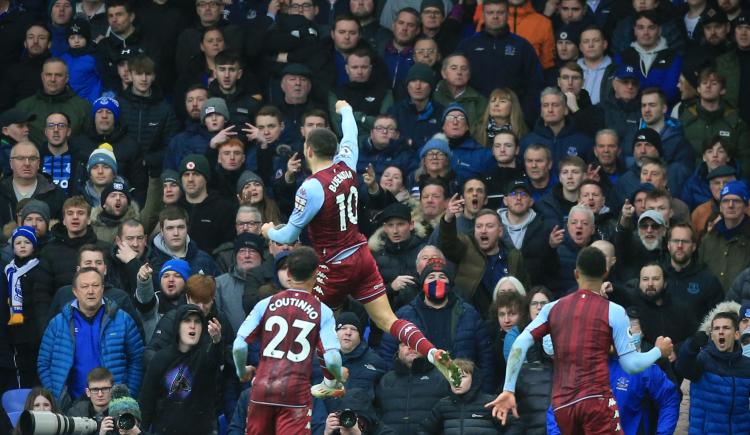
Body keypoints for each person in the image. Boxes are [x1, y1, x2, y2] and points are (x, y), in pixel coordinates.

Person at [261, 100, 462, 390]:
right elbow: (351, 135)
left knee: (309, 318)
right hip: (362, 254)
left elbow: (289, 236)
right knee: (388, 320)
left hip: (334, 265)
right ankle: (432, 351)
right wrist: (344, 110)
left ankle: (328, 379)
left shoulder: (311, 187)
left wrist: (270, 230)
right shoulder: (346, 165)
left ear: (308, 151)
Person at [486, 247, 674, 432]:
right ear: (605, 273)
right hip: (596, 402)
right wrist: (658, 350)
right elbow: (631, 364)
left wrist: (508, 389)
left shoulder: (553, 308)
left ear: (576, 274)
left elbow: (520, 343)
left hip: (563, 405)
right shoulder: (613, 311)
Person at [232, 246, 346, 434]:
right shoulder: (322, 311)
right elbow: (332, 358)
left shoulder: (266, 303)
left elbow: (239, 345)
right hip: (295, 393)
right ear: (316, 273)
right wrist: (333, 381)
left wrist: (241, 370)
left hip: (262, 389)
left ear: (289, 273)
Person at [37, 267, 143, 409]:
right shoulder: (58, 323)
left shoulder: (123, 319)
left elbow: (137, 360)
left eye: (95, 285)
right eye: (84, 286)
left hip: (114, 405)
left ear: (103, 288)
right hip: (71, 405)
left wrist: (126, 397)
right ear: (75, 291)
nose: (90, 291)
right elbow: (43, 363)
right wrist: (55, 396)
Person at [139, 304, 223, 434]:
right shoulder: (160, 359)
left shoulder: (206, 356)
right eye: (187, 321)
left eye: (197, 322)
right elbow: (147, 402)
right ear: (177, 326)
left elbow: (215, 359)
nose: (193, 326)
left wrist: (217, 341)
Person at [676, 308, 750, 434]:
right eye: (716, 329)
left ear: (736, 335)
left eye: (726, 328)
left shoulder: (747, 365)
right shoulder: (702, 360)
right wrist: (691, 346)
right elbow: (682, 367)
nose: (721, 332)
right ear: (712, 336)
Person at [418, 358, 501, 434]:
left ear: (474, 379)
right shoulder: (443, 405)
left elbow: (512, 426)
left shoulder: (491, 403)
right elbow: (424, 430)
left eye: (463, 376)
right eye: (452, 377)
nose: (457, 382)